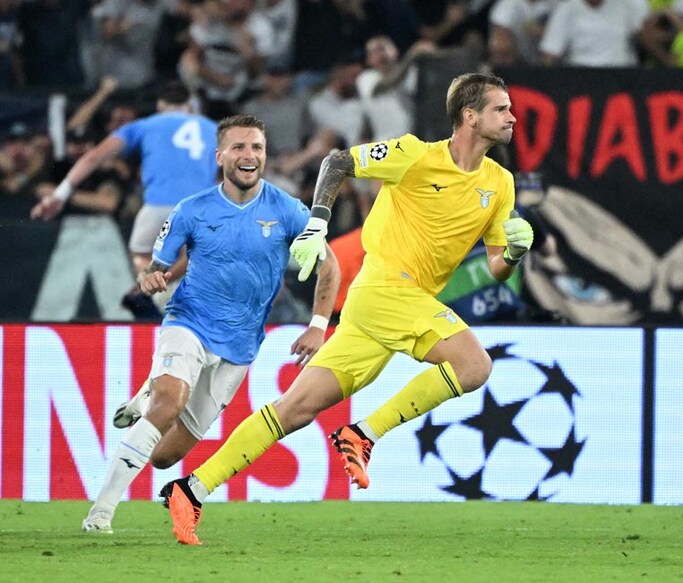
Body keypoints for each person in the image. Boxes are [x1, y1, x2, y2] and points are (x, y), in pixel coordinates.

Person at [159, 72, 534, 545]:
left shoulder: (500, 183)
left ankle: (190, 489)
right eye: (502, 109)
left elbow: (498, 264)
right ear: (470, 116)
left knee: (294, 409)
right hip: (384, 289)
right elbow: (337, 162)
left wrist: (515, 253)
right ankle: (364, 434)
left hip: (388, 307)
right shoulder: (415, 155)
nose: (512, 117)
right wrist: (317, 223)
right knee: (474, 365)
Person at [80, 114, 340, 534]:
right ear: (219, 156)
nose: (248, 155)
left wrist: (317, 324)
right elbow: (158, 267)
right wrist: (151, 277)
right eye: (238, 147)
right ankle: (101, 513)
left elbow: (330, 269)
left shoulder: (289, 211)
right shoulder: (192, 210)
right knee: (168, 406)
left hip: (239, 346)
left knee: (164, 456)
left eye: (256, 147)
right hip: (189, 321)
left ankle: (145, 394)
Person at [30, 81, 219, 316]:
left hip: (157, 207)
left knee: (140, 254)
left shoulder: (144, 125)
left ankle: (150, 285)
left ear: (160, 105)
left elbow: (94, 157)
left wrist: (61, 193)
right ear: (189, 107)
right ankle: (164, 286)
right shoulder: (214, 129)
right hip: (199, 208)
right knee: (195, 253)